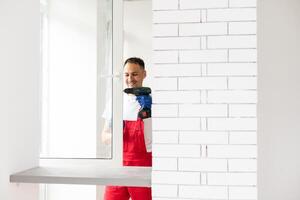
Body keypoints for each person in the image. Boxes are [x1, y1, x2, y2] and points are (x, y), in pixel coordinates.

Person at [103, 57, 152, 200]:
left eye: (135, 74)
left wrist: (148, 115)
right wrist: (118, 135)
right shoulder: (116, 102)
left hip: (143, 168)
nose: (130, 78)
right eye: (126, 74)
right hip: (118, 166)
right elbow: (104, 137)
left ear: (144, 74)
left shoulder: (152, 103)